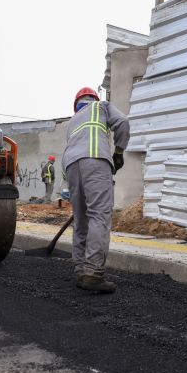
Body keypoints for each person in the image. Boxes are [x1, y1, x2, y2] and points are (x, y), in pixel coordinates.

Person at [63, 87, 129, 293]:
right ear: (94, 99)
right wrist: (118, 152)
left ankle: (81, 270)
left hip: (71, 167)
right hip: (95, 161)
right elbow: (123, 123)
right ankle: (93, 273)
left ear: (77, 104)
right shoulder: (101, 106)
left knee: (81, 219)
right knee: (99, 216)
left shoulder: (72, 121)